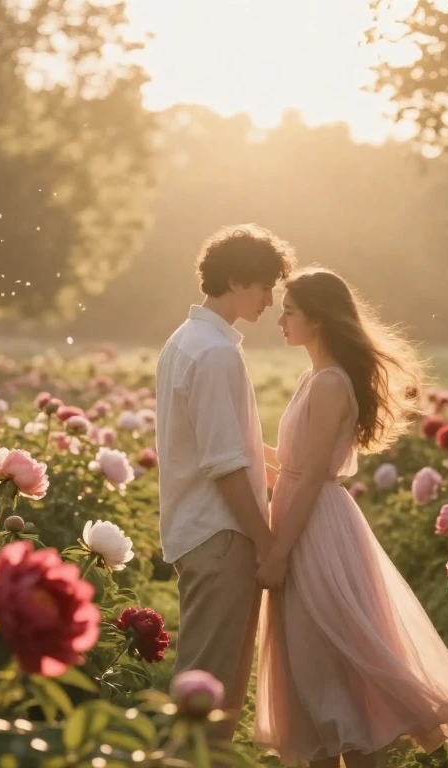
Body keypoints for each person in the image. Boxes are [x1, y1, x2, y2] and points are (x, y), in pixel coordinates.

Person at [254, 267, 448, 767]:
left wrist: (279, 553)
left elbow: (312, 476)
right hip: (304, 514)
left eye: (290, 311)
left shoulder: (330, 383)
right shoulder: (312, 377)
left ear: (317, 319)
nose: (280, 320)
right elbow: (295, 465)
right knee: (311, 661)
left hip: (314, 526)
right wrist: (246, 447)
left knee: (334, 657)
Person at [154, 224, 296, 741]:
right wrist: (267, 543)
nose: (270, 300)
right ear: (235, 280)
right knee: (209, 696)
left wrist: (290, 464)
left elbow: (221, 443)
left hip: (203, 529)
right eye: (264, 286)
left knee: (215, 691)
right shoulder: (213, 352)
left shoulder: (187, 341)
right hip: (222, 533)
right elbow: (223, 462)